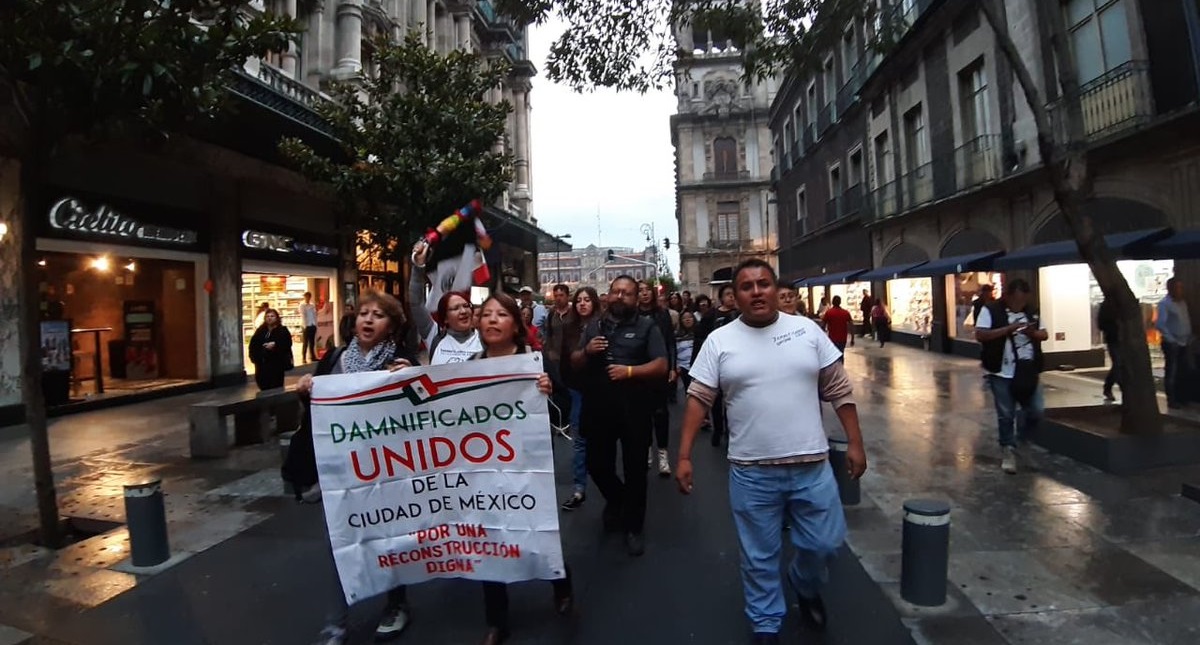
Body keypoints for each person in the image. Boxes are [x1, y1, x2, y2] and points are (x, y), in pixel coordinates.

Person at [675, 259, 867, 645]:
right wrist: (683, 455)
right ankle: (766, 623)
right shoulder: (720, 340)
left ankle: (804, 582)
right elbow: (698, 398)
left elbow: (838, 389)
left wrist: (856, 441)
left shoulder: (807, 331)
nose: (756, 291)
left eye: (763, 283)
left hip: (812, 466)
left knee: (825, 544)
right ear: (735, 296)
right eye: (747, 286)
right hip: (751, 471)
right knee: (759, 556)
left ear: (775, 288)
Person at [291, 290, 420, 645]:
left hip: (385, 470)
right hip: (342, 473)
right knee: (342, 543)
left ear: (391, 326)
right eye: (364, 313)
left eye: (378, 315)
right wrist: (304, 391)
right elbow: (315, 410)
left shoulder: (400, 360)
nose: (367, 319)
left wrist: (413, 379)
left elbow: (421, 411)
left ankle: (396, 604)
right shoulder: (334, 358)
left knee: (388, 540)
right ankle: (336, 622)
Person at [470, 292, 571, 645]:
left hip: (528, 463)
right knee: (490, 536)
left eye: (501, 315)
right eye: (486, 315)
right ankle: (496, 620)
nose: (492, 320)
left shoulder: (533, 361)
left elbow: (565, 401)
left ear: (516, 324)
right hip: (484, 466)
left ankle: (560, 583)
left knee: (537, 528)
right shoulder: (472, 363)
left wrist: (548, 388)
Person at [571, 275, 669, 556]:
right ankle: (618, 499)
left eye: (626, 293)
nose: (619, 297)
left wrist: (630, 372)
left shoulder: (647, 327)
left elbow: (661, 364)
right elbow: (575, 361)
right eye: (615, 292)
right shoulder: (594, 326)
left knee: (636, 469)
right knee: (596, 464)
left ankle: (633, 527)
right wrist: (587, 351)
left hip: (634, 407)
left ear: (636, 299)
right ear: (608, 295)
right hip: (598, 406)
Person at [975, 278, 1048, 474]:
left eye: (1023, 301)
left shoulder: (1032, 311)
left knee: (1036, 410)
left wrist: (1032, 332)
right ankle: (1008, 449)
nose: (1019, 305)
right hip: (1001, 370)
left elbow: (1045, 334)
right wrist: (1009, 329)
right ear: (1007, 296)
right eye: (1016, 301)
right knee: (1006, 413)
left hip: (1027, 369)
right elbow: (981, 334)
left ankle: (1022, 441)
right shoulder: (990, 310)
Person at [560, 287, 600, 512]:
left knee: (601, 439)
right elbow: (566, 359)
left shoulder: (605, 324)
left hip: (600, 391)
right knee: (579, 440)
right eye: (579, 301)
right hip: (577, 389)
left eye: (587, 300)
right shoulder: (569, 327)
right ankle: (578, 488)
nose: (582, 304)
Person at [410, 241, 481, 365]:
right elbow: (416, 302)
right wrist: (418, 266)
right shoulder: (434, 336)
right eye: (455, 308)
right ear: (445, 318)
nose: (463, 311)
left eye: (466, 306)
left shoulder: (485, 339)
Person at [639, 280, 678, 477]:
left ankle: (663, 454)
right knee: (642, 414)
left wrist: (672, 366)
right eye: (640, 291)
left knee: (661, 413)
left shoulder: (661, 314)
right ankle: (646, 451)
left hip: (660, 369)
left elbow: (670, 341)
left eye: (647, 290)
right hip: (638, 371)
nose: (644, 294)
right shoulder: (633, 315)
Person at [697, 284, 741, 448]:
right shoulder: (711, 315)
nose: (731, 297)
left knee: (733, 398)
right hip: (716, 361)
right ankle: (718, 428)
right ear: (721, 297)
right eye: (728, 294)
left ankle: (731, 430)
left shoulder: (741, 314)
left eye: (733, 294)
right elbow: (700, 336)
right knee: (716, 399)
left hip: (736, 360)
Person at [541, 284, 574, 432]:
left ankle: (570, 420)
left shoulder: (574, 313)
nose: (558, 299)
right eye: (556, 296)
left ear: (567, 296)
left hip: (571, 358)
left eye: (561, 295)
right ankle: (560, 422)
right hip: (554, 359)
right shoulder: (552, 314)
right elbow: (548, 334)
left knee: (570, 389)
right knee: (558, 390)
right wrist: (548, 351)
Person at [1156, 277, 1192, 409]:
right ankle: (1172, 399)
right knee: (1172, 370)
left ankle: (1182, 397)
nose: (1180, 291)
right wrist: (1171, 339)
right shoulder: (1165, 304)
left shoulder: (1182, 303)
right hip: (1172, 343)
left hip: (1184, 341)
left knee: (1183, 370)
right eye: (1178, 288)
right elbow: (1160, 324)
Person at [248, 309, 292, 391]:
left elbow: (287, 344)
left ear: (277, 318)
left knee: (276, 386)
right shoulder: (261, 331)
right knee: (263, 385)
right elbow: (253, 344)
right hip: (262, 365)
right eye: (268, 316)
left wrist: (275, 345)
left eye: (272, 316)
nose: (270, 318)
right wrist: (255, 357)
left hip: (276, 364)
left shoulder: (282, 330)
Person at [1098, 296, 1121, 402]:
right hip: (1114, 339)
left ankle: (1117, 387)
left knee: (1122, 365)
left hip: (1123, 339)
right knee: (1118, 364)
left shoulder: (1124, 305)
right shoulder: (1107, 306)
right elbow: (1101, 324)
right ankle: (1108, 387)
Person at [299, 291, 319, 363]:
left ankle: (312, 356)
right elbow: (303, 315)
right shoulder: (302, 305)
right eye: (306, 296)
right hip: (306, 325)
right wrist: (305, 326)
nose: (307, 298)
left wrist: (316, 324)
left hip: (312, 325)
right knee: (305, 342)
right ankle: (304, 357)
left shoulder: (312, 305)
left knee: (312, 342)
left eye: (308, 296)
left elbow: (315, 315)